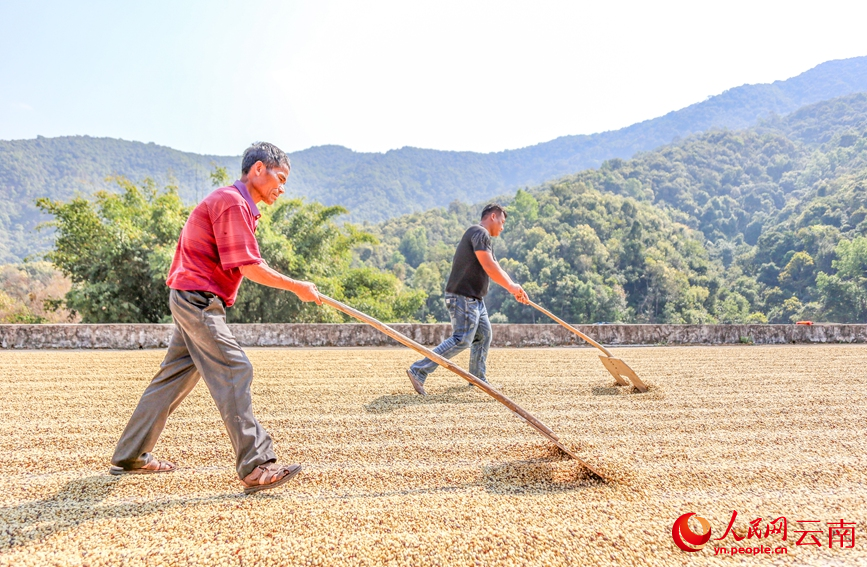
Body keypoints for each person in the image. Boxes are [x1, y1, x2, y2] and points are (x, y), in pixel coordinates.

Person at [109, 142, 321, 495]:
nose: (282, 188)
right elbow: (250, 267)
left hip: (192, 296)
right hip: (198, 299)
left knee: (173, 378)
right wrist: (297, 286)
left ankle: (130, 455)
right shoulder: (232, 202)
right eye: (279, 178)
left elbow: (247, 262)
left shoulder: (238, 205)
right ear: (257, 169)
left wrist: (296, 285)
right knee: (235, 368)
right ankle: (256, 465)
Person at [406, 204, 528, 395]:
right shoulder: (479, 232)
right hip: (463, 297)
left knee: (484, 335)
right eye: (502, 222)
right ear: (493, 216)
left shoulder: (481, 237)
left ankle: (478, 378)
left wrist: (514, 287)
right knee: (462, 339)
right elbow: (488, 266)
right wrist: (511, 287)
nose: (502, 228)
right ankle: (418, 370)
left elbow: (494, 264)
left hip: (476, 300)